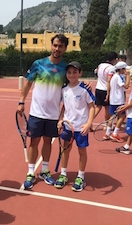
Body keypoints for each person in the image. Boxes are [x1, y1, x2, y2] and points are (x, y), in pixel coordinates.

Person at [17, 34, 68, 190]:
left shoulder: (66, 69)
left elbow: (69, 90)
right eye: (55, 45)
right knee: (33, 142)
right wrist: (21, 101)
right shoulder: (38, 64)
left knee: (48, 141)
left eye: (60, 46)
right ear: (51, 46)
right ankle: (31, 172)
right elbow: (28, 83)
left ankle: (45, 170)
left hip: (53, 115)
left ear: (65, 48)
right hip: (36, 113)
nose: (57, 48)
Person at [54, 61, 95, 191]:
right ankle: (63, 174)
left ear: (80, 73)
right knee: (65, 150)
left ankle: (81, 176)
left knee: (82, 152)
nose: (72, 75)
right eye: (69, 72)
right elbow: (64, 107)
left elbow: (92, 107)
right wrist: (60, 120)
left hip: (81, 128)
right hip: (67, 126)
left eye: (75, 72)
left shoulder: (85, 89)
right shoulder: (64, 89)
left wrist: (89, 123)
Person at [103, 61, 129, 142]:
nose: (125, 71)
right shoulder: (118, 77)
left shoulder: (114, 76)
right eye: (124, 69)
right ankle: (115, 133)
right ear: (121, 69)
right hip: (118, 100)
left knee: (112, 116)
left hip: (113, 99)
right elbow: (126, 86)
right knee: (122, 116)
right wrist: (128, 75)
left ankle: (107, 133)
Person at [92, 52, 118, 129]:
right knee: (107, 108)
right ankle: (107, 125)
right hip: (105, 89)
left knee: (98, 107)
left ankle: (89, 121)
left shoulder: (100, 65)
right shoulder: (111, 68)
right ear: (114, 59)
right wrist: (108, 93)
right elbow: (109, 81)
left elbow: (96, 72)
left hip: (98, 88)